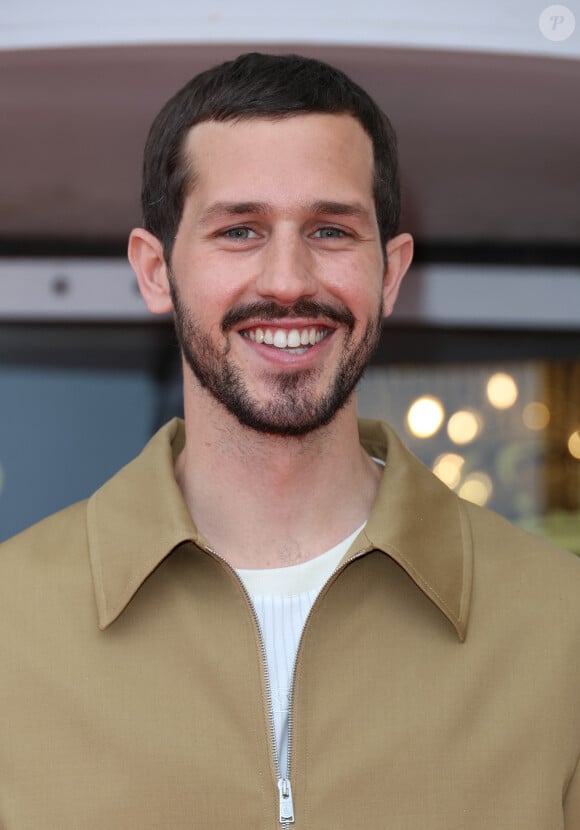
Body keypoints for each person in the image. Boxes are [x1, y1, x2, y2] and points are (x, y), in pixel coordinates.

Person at [1, 52, 579, 829]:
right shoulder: (13, 625)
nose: (287, 280)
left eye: (330, 230)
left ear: (390, 272)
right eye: (239, 230)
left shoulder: (560, 627)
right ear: (155, 270)